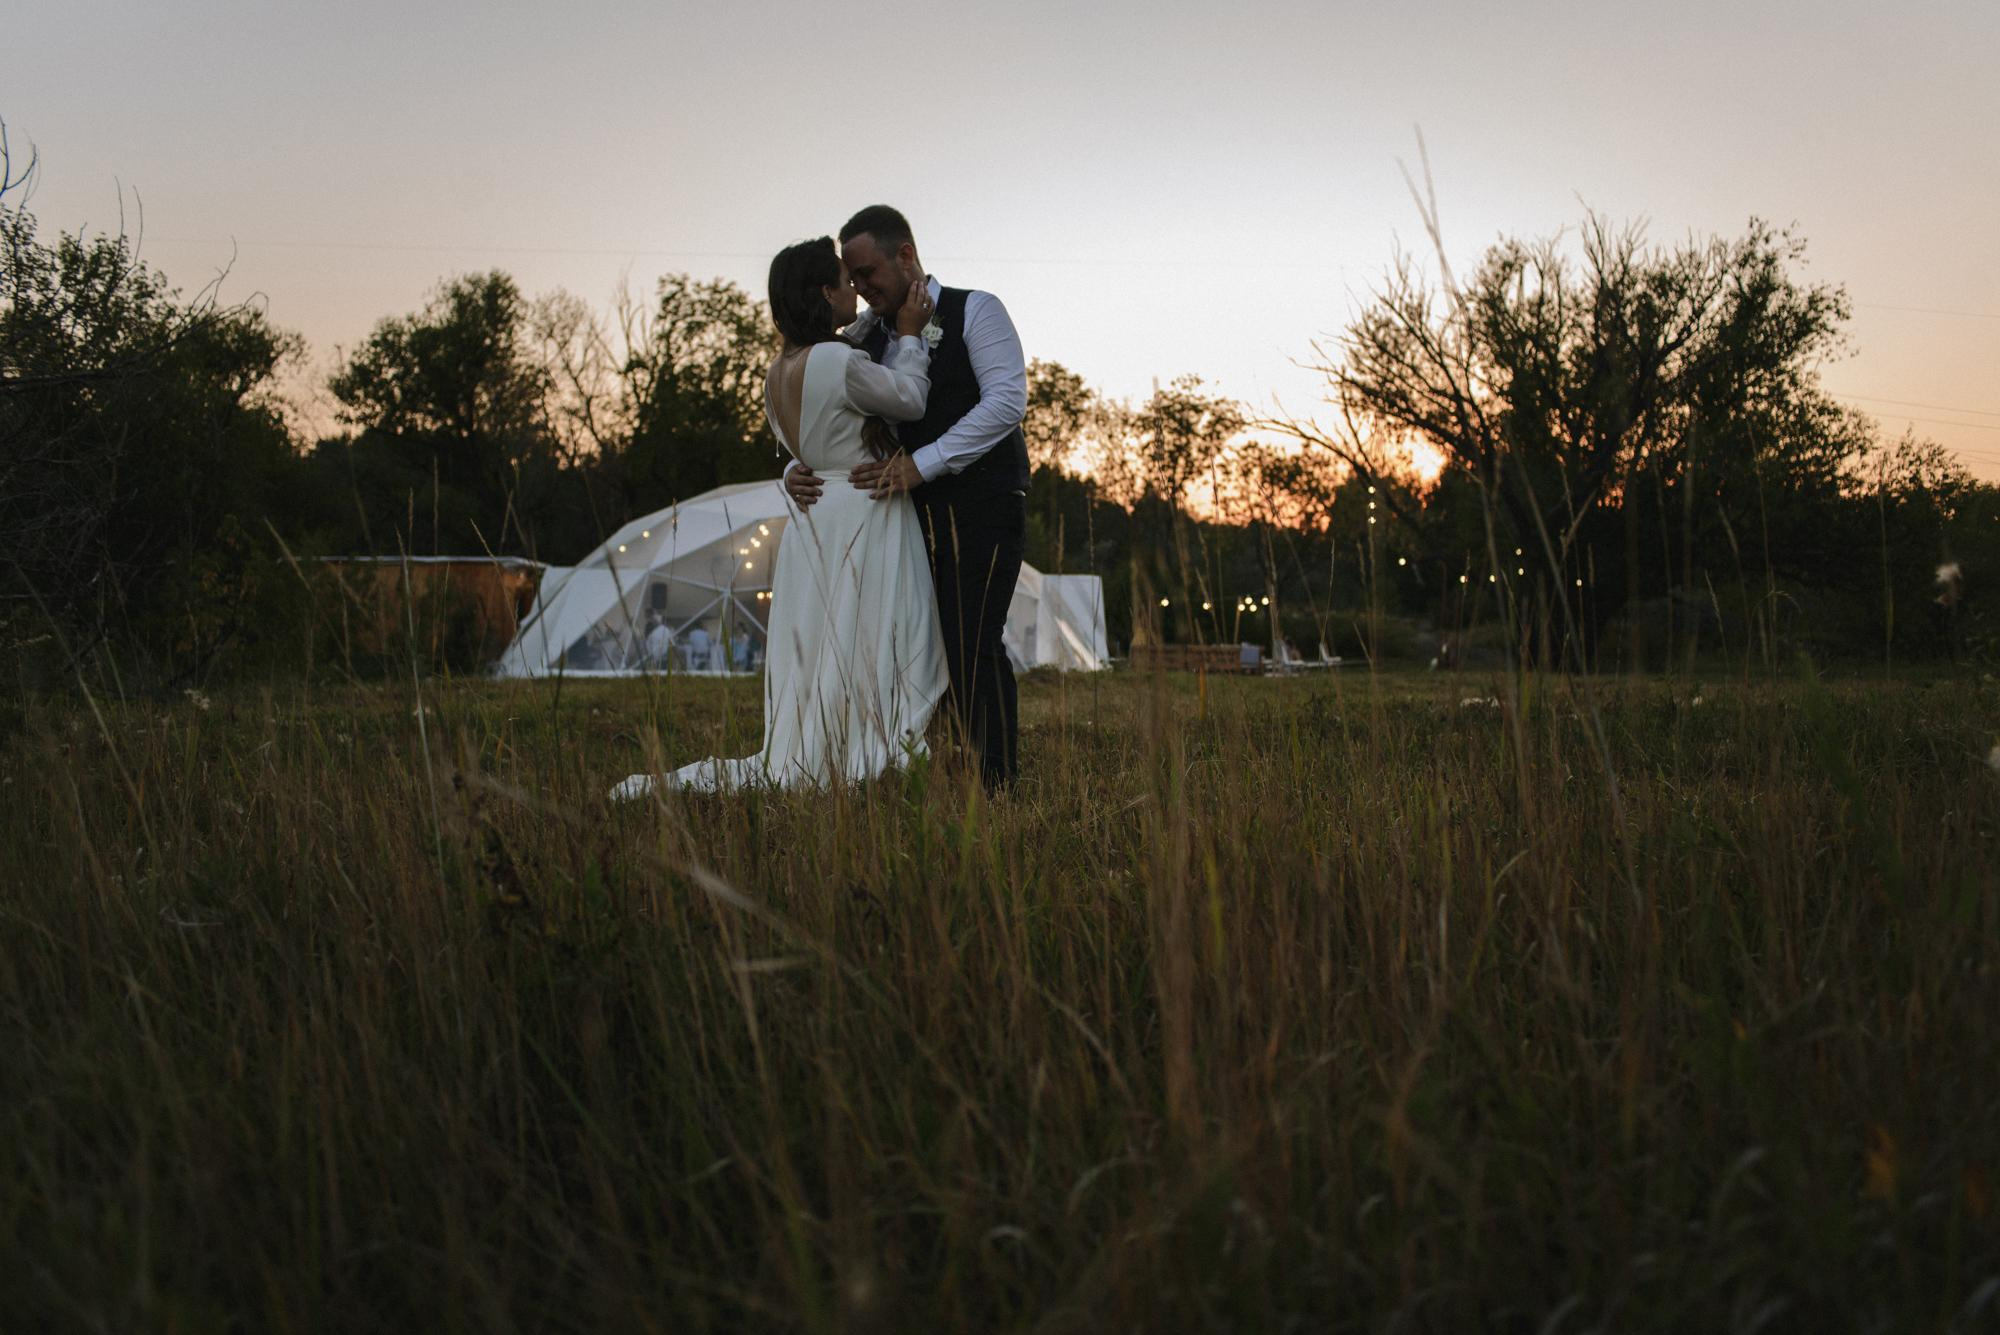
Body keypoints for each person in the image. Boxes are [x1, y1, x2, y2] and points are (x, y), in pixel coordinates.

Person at [611, 236, 942, 797]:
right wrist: (910, 335)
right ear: (825, 292)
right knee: (874, 634)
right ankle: (864, 743)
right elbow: (910, 399)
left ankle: (825, 742)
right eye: (846, 281)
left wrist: (792, 470)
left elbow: (802, 447)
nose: (855, 290)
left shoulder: (775, 373)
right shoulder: (837, 360)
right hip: (864, 509)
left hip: (813, 519)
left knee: (827, 641)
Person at [785, 206, 1029, 792]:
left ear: (906, 255)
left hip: (983, 500)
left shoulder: (978, 309)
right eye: (851, 277)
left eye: (867, 272)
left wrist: (922, 464)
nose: (861, 287)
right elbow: (822, 409)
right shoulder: (860, 338)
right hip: (896, 516)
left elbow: (1005, 403)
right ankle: (929, 764)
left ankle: (995, 781)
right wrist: (794, 467)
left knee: (972, 636)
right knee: (914, 640)